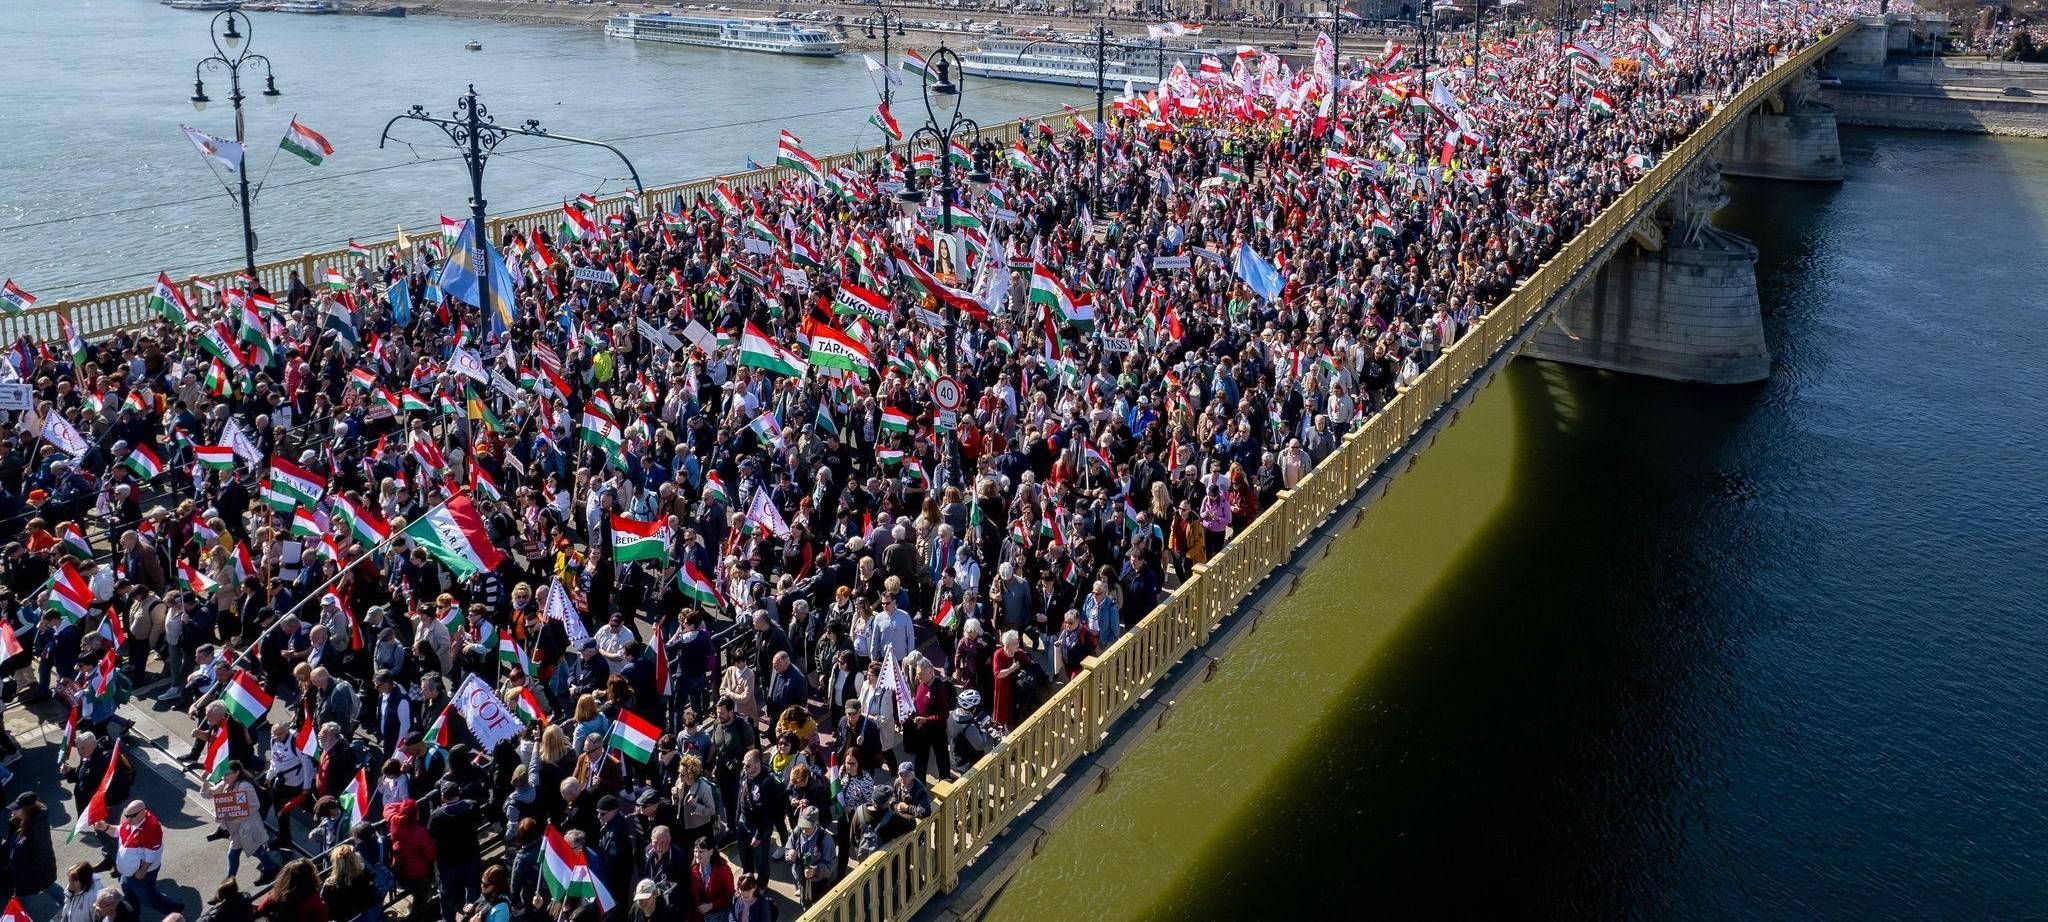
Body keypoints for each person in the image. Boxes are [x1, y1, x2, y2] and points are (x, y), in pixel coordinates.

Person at [207, 761, 279, 885]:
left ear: (237, 773)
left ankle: (227, 886)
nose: (224, 778)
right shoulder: (227, 784)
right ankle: (270, 870)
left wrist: (237, 813)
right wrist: (205, 781)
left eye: (227, 774)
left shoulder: (245, 786)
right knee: (244, 853)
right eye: (223, 775)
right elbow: (207, 793)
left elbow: (255, 805)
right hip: (239, 830)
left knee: (250, 852)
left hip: (247, 828)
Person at [113, 801, 181, 914]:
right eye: (126, 816)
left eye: (132, 816)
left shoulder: (152, 828)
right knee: (128, 892)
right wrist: (105, 827)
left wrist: (142, 871)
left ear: (142, 812)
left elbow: (152, 854)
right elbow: (118, 831)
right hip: (130, 872)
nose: (128, 819)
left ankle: (175, 909)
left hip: (143, 873)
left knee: (149, 898)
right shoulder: (133, 822)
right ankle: (132, 916)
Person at [11, 793, 61, 902]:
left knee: (19, 905)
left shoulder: (37, 828)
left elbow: (41, 855)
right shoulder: (26, 820)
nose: (13, 811)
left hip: (31, 876)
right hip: (33, 875)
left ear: (27, 809)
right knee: (50, 886)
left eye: (17, 809)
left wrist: (29, 878)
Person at [782, 806, 836, 907]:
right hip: (801, 880)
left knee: (819, 908)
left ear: (816, 824)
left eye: (807, 827)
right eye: (802, 826)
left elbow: (831, 865)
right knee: (805, 904)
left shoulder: (825, 839)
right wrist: (789, 853)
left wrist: (815, 870)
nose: (803, 830)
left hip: (818, 883)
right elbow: (788, 846)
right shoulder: (797, 831)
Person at [321, 845, 380, 922]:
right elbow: (374, 895)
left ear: (336, 863)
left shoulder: (329, 884)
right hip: (364, 917)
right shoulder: (364, 876)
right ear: (354, 860)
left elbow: (325, 904)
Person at [254, 859, 325, 922]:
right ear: (311, 877)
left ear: (285, 877)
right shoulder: (315, 900)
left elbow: (260, 909)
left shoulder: (276, 894)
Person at [685, 839, 733, 922]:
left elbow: (730, 895)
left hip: (720, 912)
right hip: (701, 914)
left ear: (711, 851)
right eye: (695, 851)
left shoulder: (723, 870)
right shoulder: (694, 869)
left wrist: (712, 905)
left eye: (701, 852)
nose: (697, 855)